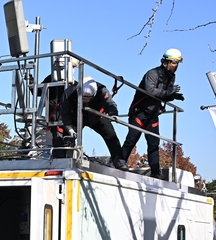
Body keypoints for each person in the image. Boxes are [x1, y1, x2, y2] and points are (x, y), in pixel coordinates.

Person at [122, 48, 185, 179]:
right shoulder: (152, 74)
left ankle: (156, 172)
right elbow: (149, 91)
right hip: (139, 113)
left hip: (152, 115)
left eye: (177, 63)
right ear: (165, 63)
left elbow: (162, 96)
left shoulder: (171, 77)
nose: (176, 66)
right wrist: (168, 93)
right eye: (174, 62)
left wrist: (172, 96)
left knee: (154, 144)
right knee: (131, 140)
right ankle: (119, 163)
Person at [59, 76, 129, 170]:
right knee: (67, 137)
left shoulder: (102, 90)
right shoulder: (68, 94)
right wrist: (69, 129)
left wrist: (114, 114)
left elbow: (110, 104)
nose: (85, 101)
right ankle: (66, 160)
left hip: (96, 117)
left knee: (111, 135)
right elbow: (65, 114)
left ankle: (119, 161)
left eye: (88, 98)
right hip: (76, 117)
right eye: (83, 98)